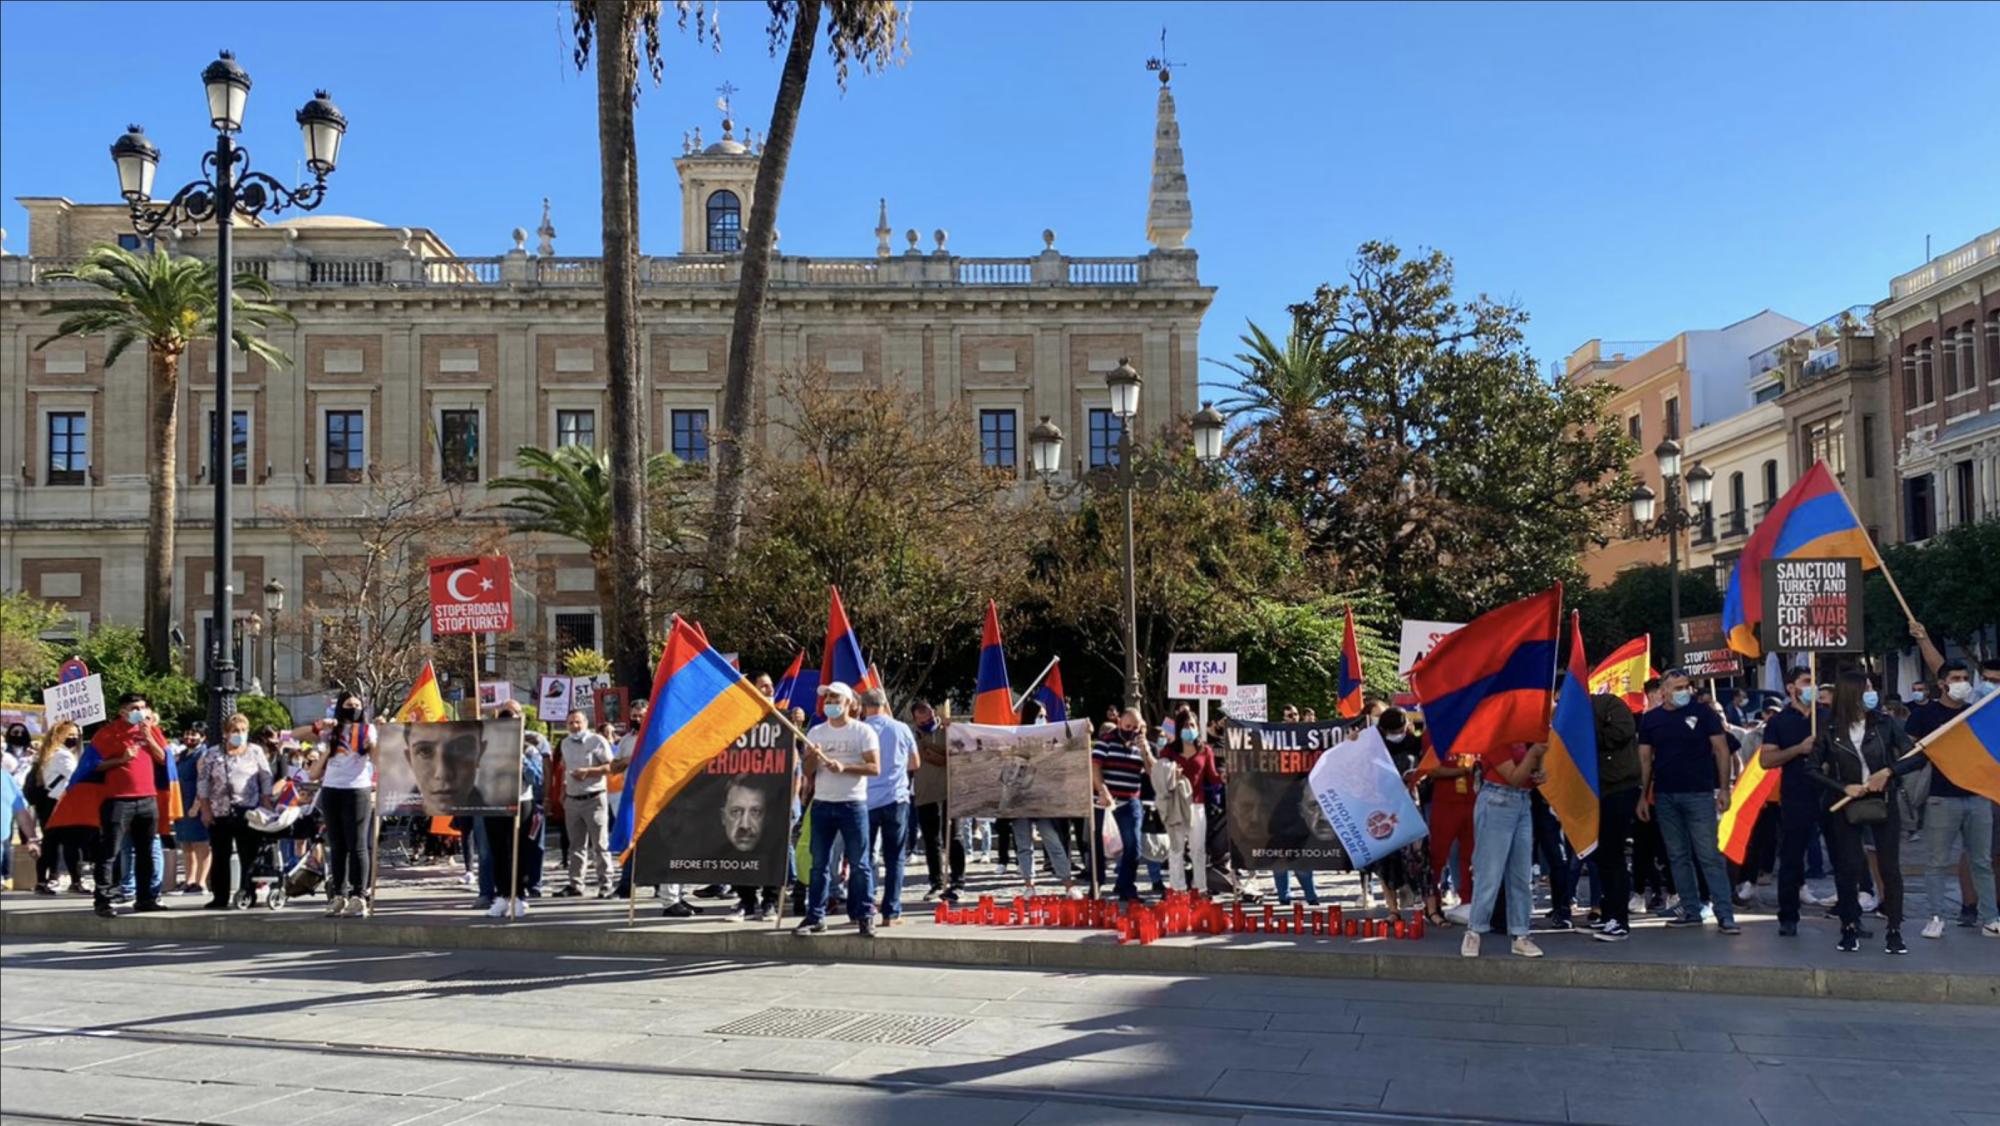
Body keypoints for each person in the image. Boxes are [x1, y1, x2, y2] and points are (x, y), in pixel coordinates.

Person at [1896, 660, 1999, 940]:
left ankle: (1991, 918)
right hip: (1941, 799)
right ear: (1942, 683)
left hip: (1977, 797)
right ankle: (1937, 916)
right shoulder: (1924, 715)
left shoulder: (1974, 714)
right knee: (1937, 862)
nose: (1962, 682)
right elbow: (1909, 753)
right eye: (1955, 677)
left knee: (1982, 861)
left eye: (1965, 677)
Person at [1812, 671, 1911, 954]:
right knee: (1849, 867)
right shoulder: (1830, 729)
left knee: (1889, 867)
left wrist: (1889, 771)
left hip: (1884, 799)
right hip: (1847, 804)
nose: (1872, 693)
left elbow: (1914, 754)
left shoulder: (1885, 723)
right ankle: (1849, 925)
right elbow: (1812, 768)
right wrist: (1843, 787)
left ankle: (1894, 928)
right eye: (1866, 688)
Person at [1636, 670, 1741, 935]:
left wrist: (1725, 788)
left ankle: (1725, 914)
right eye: (1678, 687)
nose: (1685, 691)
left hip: (1700, 794)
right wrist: (1642, 796)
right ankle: (1691, 910)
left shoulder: (1705, 713)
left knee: (1708, 855)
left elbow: (1721, 750)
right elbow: (1645, 760)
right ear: (1664, 691)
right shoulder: (1651, 720)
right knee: (1677, 856)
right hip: (1665, 796)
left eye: (1687, 686)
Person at [796, 682, 881, 937]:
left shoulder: (863, 732)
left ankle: (864, 914)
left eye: (835, 698)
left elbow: (874, 767)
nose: (830, 703)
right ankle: (815, 916)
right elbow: (808, 770)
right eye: (827, 699)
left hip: (852, 803)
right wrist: (813, 756)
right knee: (819, 864)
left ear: (849, 703)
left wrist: (845, 768)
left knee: (859, 864)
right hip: (822, 803)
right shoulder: (816, 732)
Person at [1461, 741, 1547, 959]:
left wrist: (1539, 773)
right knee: (1489, 873)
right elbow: (1514, 777)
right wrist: (1534, 754)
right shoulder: (1496, 738)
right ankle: (1475, 930)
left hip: (1521, 801)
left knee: (1521, 875)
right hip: (1496, 800)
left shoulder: (1527, 739)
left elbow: (1528, 777)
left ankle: (1520, 934)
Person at [1758, 665, 1825, 938]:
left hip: (1829, 793)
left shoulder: (1828, 716)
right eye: (1806, 681)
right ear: (1791, 688)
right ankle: (1788, 916)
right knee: (1792, 857)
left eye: (1814, 681)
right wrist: (1799, 749)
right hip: (1796, 793)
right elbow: (1766, 760)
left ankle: (1849, 915)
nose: (1812, 686)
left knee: (1845, 855)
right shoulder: (1779, 722)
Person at [90, 692, 169, 918]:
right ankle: (103, 900)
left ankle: (146, 898)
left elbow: (163, 758)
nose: (140, 711)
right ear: (123, 711)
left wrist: (149, 737)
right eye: (135, 707)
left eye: (143, 707)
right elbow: (93, 765)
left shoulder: (150, 730)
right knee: (110, 851)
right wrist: (121, 760)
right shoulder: (107, 733)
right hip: (118, 800)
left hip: (147, 799)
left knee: (146, 852)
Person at [307, 692, 377, 918]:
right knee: (336, 846)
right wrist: (326, 748)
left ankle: (359, 895)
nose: (353, 708)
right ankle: (339, 894)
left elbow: (378, 761)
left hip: (357, 789)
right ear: (340, 707)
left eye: (357, 705)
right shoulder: (331, 732)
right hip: (332, 789)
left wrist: (372, 745)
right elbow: (313, 773)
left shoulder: (368, 730)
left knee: (356, 844)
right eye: (349, 705)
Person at [195, 713, 273, 910]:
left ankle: (248, 892)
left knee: (249, 855)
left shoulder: (255, 751)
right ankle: (219, 897)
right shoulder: (213, 754)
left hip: (249, 809)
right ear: (226, 733)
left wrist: (266, 800)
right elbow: (203, 782)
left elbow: (265, 777)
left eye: (243, 731)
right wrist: (204, 809)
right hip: (220, 811)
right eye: (235, 731)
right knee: (221, 855)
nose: (239, 734)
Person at [859, 687, 918, 925]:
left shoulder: (860, 730)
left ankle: (865, 908)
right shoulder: (901, 728)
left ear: (864, 706)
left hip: (865, 800)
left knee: (864, 858)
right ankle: (891, 913)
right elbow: (915, 762)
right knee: (895, 859)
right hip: (895, 799)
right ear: (884, 704)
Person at [1372, 709, 1437, 921]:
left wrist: (1418, 776)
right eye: (1392, 731)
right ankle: (1393, 910)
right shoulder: (1373, 745)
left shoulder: (1415, 743)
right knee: (1386, 860)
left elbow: (1429, 767)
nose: (1397, 734)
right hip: (1383, 809)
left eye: (1400, 730)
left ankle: (1432, 910)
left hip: (1411, 805)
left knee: (1421, 857)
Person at [1589, 690, 1641, 941]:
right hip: (1596, 791)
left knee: (1613, 854)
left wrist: (1587, 734)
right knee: (1602, 857)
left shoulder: (1608, 704)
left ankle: (1619, 919)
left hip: (1618, 788)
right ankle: (1609, 914)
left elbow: (1623, 731)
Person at [482, 700, 541, 919]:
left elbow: (536, 778)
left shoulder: (529, 747)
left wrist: (521, 758)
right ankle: (503, 894)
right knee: (497, 851)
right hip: (493, 802)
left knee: (519, 850)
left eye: (513, 716)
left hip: (520, 802)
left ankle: (519, 896)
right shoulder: (489, 745)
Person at [1091, 706, 1154, 903]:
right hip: (1105, 802)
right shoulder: (1106, 741)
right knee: (1098, 847)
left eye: (1136, 727)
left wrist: (1146, 751)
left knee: (1133, 846)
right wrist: (1102, 790)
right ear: (1120, 723)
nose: (1132, 730)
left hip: (1130, 801)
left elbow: (1153, 772)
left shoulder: (1141, 743)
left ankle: (1126, 886)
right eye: (1128, 726)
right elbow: (1095, 766)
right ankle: (1096, 885)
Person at [1158, 705, 1220, 894]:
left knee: (1198, 850)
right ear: (1178, 729)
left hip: (1197, 805)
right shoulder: (1169, 750)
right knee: (1176, 850)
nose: (1189, 729)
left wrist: (1226, 778)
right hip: (1176, 805)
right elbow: (1160, 775)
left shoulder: (1205, 750)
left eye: (1192, 725)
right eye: (1185, 726)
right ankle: (1178, 889)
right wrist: (1170, 775)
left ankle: (1200, 888)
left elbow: (1213, 777)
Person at [556, 710, 614, 897]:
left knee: (600, 844)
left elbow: (610, 767)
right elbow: (565, 770)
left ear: (586, 722)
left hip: (594, 798)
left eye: (578, 722)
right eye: (571, 723)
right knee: (576, 845)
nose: (574, 726)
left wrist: (588, 771)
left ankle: (605, 883)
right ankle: (575, 884)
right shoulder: (565, 743)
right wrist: (563, 794)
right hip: (573, 799)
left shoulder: (597, 741)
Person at [911, 700, 963, 904]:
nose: (927, 722)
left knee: (954, 837)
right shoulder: (912, 735)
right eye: (921, 720)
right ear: (915, 720)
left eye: (929, 717)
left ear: (934, 713)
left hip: (949, 792)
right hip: (925, 794)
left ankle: (958, 881)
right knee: (931, 841)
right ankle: (936, 882)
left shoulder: (949, 730)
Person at [26, 722, 86, 894]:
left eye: (76, 735)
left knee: (51, 842)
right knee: (70, 844)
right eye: (71, 735)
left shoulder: (48, 753)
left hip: (48, 803)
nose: (74, 739)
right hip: (60, 803)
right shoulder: (63, 756)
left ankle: (43, 880)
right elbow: (78, 776)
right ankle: (75, 880)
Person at [172, 723, 211, 895]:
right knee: (186, 844)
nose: (189, 737)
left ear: (202, 737)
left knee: (201, 843)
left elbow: (203, 781)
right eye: (187, 733)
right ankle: (189, 880)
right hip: (181, 802)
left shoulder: (202, 755)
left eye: (194, 734)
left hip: (195, 803)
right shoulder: (182, 755)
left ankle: (201, 882)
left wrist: (197, 806)